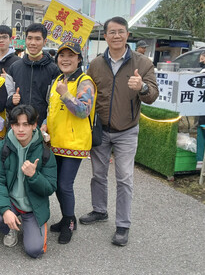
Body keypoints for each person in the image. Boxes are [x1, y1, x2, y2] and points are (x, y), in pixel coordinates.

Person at [79, 16, 158, 246]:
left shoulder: (142, 63)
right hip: (100, 130)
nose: (116, 36)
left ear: (127, 35)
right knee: (98, 174)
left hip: (127, 130)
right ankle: (99, 210)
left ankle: (123, 224)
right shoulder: (95, 64)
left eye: (120, 31)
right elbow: (87, 94)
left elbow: (153, 94)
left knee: (124, 178)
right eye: (111, 32)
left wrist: (141, 87)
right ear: (105, 36)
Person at [41, 41, 97, 244]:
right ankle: (66, 217)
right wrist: (45, 125)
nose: (65, 59)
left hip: (74, 144)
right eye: (62, 56)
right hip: (55, 142)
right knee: (56, 184)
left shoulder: (85, 81)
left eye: (70, 56)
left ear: (79, 59)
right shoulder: (58, 79)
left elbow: (83, 111)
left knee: (65, 185)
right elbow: (52, 109)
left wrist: (65, 93)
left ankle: (70, 222)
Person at [0, 105, 57, 258]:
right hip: (11, 201)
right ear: (11, 125)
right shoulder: (0, 148)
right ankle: (10, 227)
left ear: (34, 125)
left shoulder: (45, 152)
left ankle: (28, 224)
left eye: (26, 124)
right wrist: (5, 210)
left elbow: (50, 187)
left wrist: (34, 176)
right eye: (16, 124)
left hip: (33, 207)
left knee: (35, 251)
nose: (21, 129)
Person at [6, 23, 60, 126]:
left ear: (44, 42)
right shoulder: (14, 68)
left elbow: (54, 103)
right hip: (18, 126)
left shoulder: (54, 70)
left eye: (37, 39)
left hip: (43, 126)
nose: (33, 43)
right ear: (25, 40)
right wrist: (12, 100)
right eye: (29, 38)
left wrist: (46, 124)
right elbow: (7, 101)